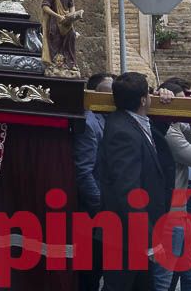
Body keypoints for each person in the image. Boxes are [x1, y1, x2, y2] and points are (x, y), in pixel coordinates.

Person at [98, 72, 174, 291]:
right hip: (125, 236)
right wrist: (148, 240)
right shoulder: (123, 132)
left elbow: (151, 139)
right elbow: (128, 191)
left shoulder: (131, 122)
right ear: (143, 100)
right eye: (149, 93)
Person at [152, 78, 191, 291]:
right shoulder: (169, 132)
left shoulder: (174, 126)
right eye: (182, 104)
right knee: (164, 277)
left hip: (180, 211)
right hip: (172, 213)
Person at [73, 73, 113, 291]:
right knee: (89, 272)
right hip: (91, 214)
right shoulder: (90, 123)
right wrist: (100, 207)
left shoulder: (106, 120)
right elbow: (84, 172)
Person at [41, 0, 85, 69]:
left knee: (71, 38)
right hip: (54, 21)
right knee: (55, 41)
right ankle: (55, 64)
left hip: (67, 21)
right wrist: (57, 16)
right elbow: (45, 7)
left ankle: (71, 63)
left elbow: (71, 5)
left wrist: (72, 14)